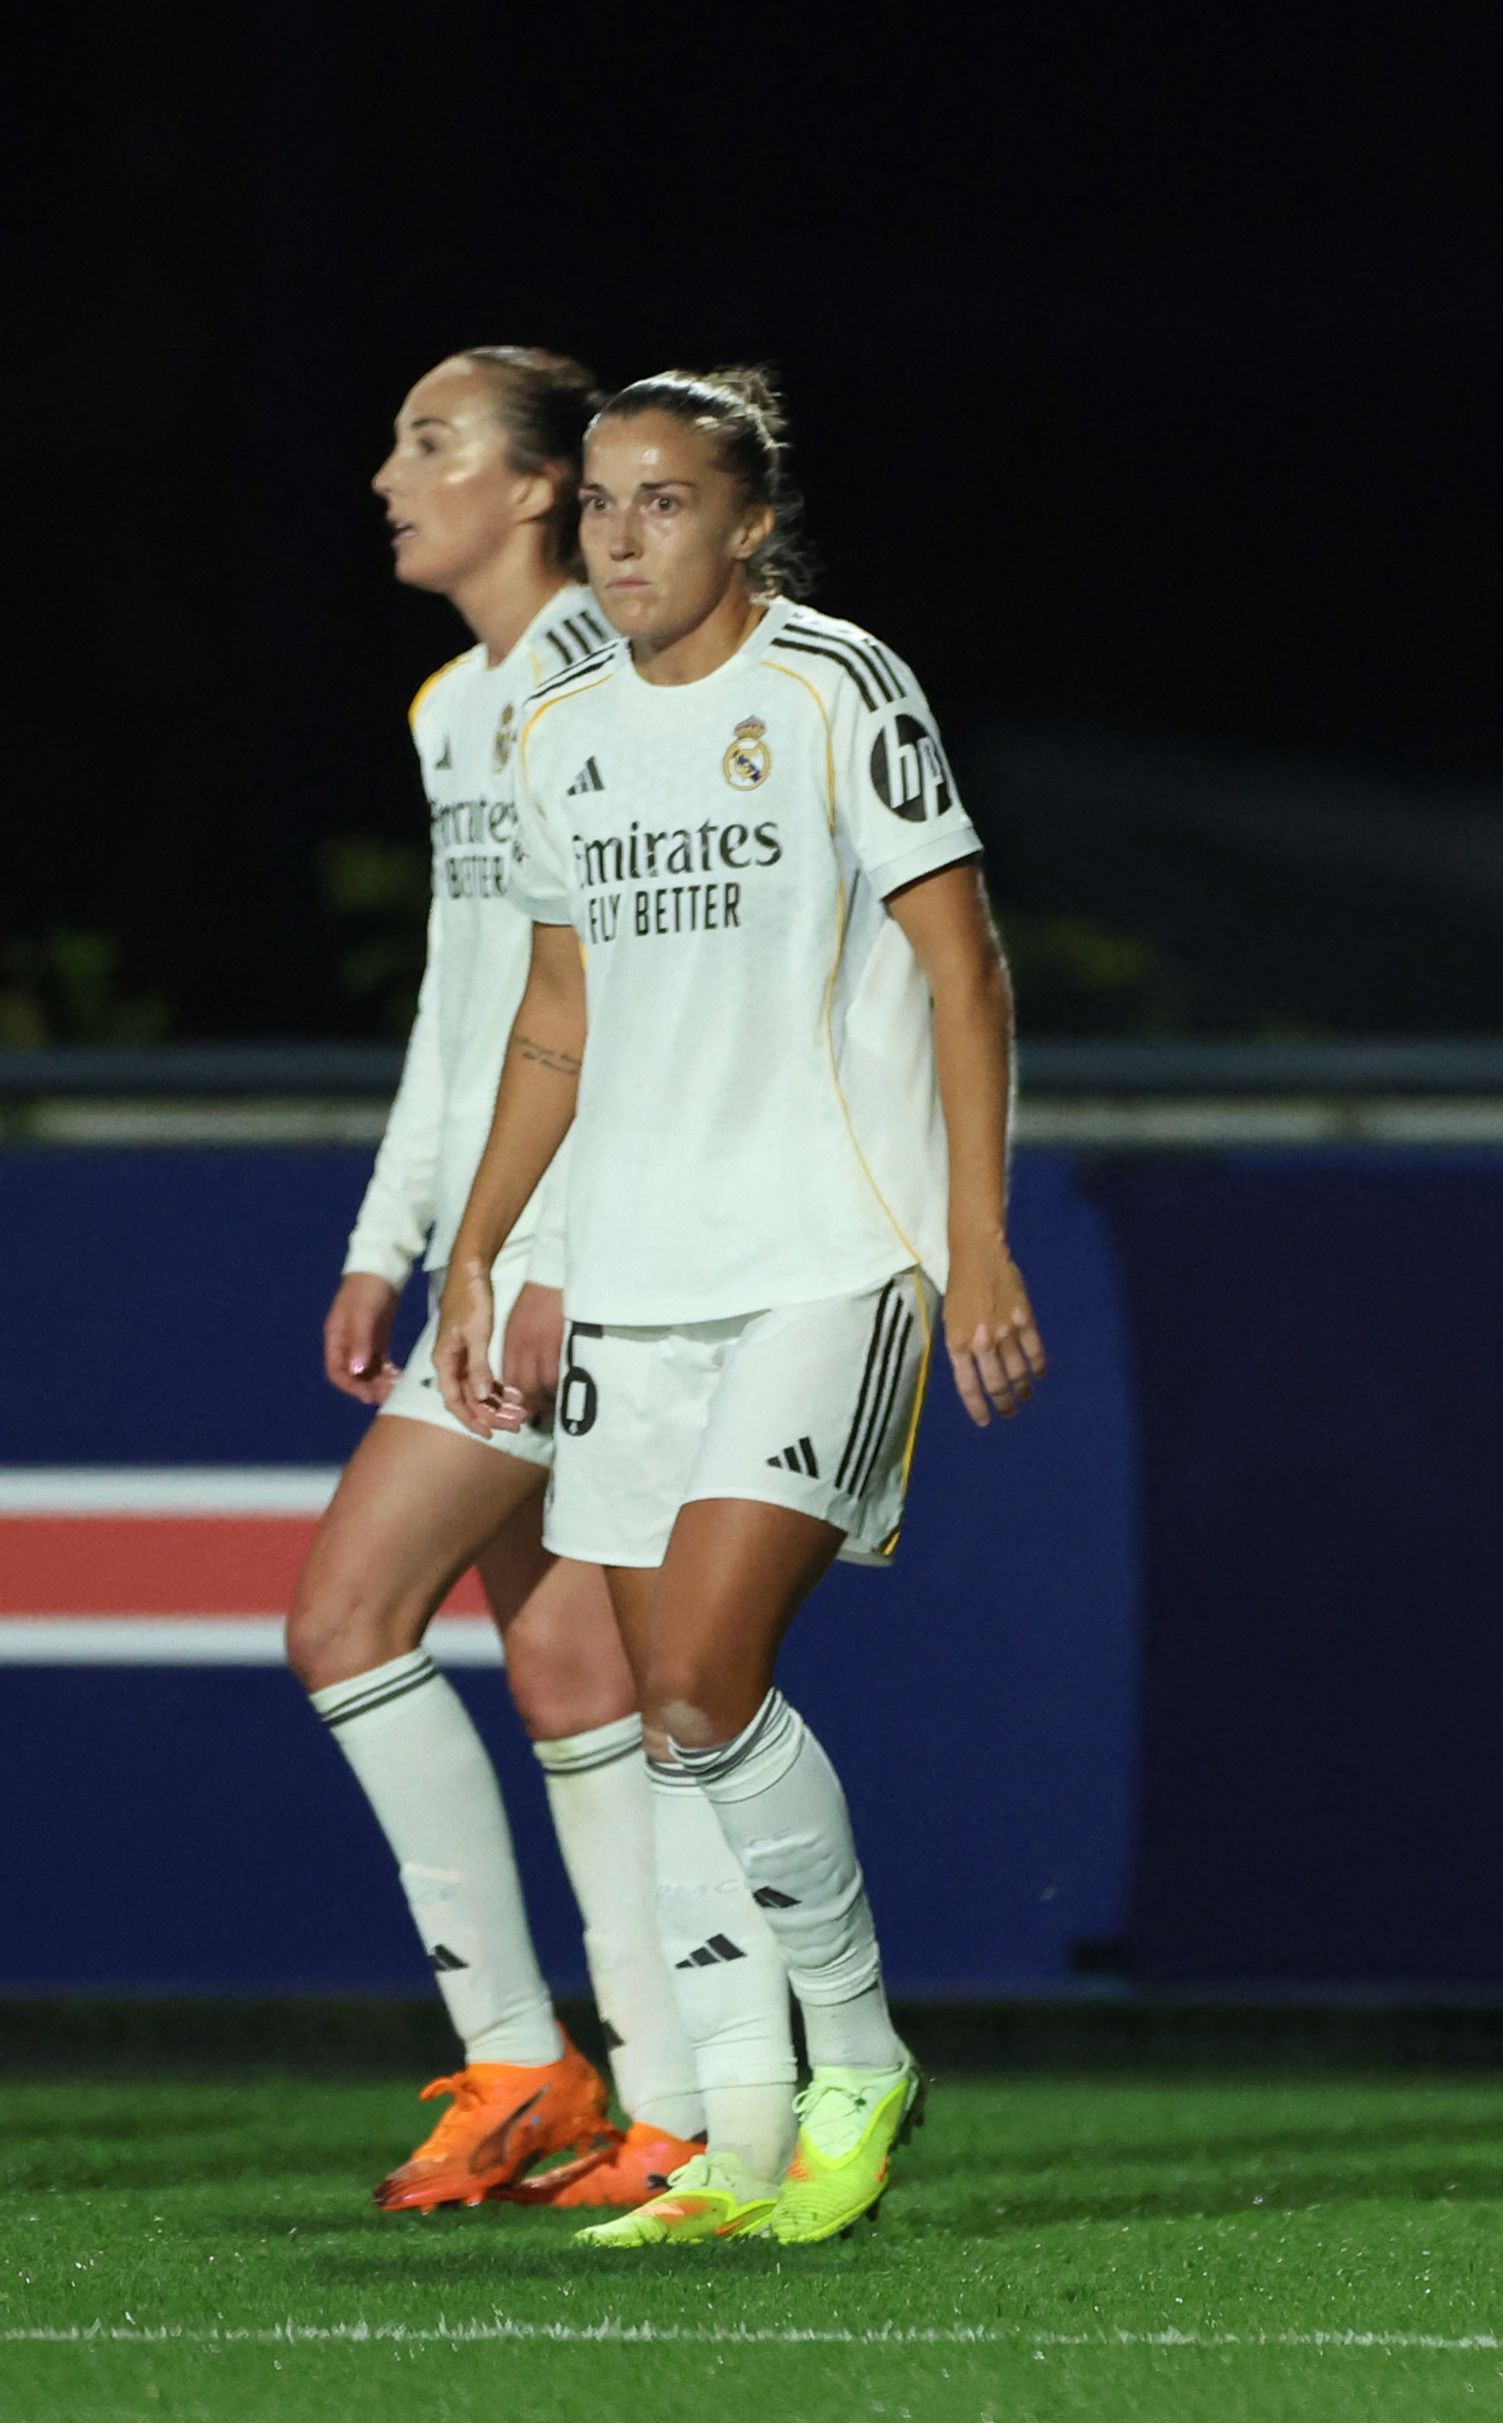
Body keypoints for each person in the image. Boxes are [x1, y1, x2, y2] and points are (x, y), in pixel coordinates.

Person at [434, 366, 1042, 2247]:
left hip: (825, 1259)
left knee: (703, 1674)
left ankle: (859, 2056)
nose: (622, 534)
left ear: (748, 520)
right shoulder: (554, 732)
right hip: (629, 1277)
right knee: (655, 1714)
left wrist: (977, 1239)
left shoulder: (836, 690)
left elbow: (966, 975)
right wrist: (485, 1244)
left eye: (664, 500)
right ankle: (747, 2139)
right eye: (601, 502)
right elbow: (555, 1017)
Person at [293, 344, 704, 2213]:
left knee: (346, 1619)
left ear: (540, 489)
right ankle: (664, 2088)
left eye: (432, 442)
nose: (392, 473)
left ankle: (523, 2057)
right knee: (563, 1662)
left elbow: (619, 1011)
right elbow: (475, 1016)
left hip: (566, 1257)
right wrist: (397, 1235)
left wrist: (531, 1257)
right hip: (490, 1250)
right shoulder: (464, 701)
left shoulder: (605, 697)